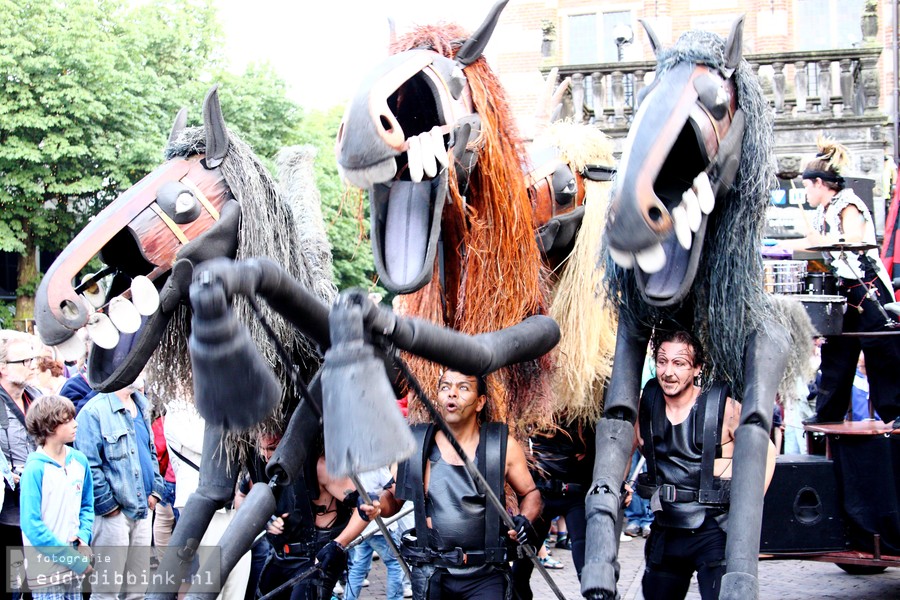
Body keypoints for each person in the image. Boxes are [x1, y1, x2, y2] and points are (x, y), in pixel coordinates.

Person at [361, 369, 542, 600]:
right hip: (432, 573)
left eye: (463, 387)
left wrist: (525, 519)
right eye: (445, 387)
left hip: (487, 574)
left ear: (480, 402)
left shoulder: (502, 447)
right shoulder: (415, 445)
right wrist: (376, 505)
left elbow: (531, 493)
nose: (452, 394)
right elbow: (394, 497)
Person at [635, 329, 776, 600]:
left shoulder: (723, 408)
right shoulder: (647, 404)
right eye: (662, 361)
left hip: (712, 530)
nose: (668, 372)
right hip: (666, 528)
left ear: (697, 368)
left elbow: (765, 452)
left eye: (679, 363)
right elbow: (628, 441)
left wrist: (750, 505)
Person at [779, 138, 900, 425]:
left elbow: (853, 239)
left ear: (820, 183)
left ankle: (896, 412)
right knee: (837, 351)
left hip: (866, 285)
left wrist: (820, 241)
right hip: (843, 290)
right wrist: (780, 246)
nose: (806, 192)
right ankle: (829, 412)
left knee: (880, 350)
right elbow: (814, 244)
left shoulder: (849, 203)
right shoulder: (823, 211)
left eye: (808, 186)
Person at [75, 375, 166, 600]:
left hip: (143, 509)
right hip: (113, 516)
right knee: (107, 592)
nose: (140, 372)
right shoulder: (93, 412)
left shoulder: (143, 405)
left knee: (137, 591)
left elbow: (151, 450)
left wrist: (155, 491)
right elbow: (89, 465)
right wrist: (109, 507)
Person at [254, 432, 370, 600]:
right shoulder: (264, 466)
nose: (266, 455)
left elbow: (366, 505)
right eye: (262, 448)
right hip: (280, 555)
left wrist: (338, 544)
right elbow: (243, 497)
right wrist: (267, 519)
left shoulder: (319, 467)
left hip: (314, 557)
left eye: (272, 448)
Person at [20, 394, 94, 598]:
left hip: (74, 566)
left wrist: (84, 536)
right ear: (50, 427)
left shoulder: (79, 461)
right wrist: (72, 559)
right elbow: (31, 524)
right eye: (67, 420)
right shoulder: (35, 469)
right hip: (46, 571)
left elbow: (87, 505)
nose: (75, 424)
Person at [511, 418, 593, 598]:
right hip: (540, 494)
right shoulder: (534, 412)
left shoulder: (584, 416)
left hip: (575, 496)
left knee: (588, 570)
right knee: (519, 572)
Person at [1, 330, 42, 598]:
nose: (31, 365)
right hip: (8, 513)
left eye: (32, 359)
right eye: (23, 361)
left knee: (37, 584)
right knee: (12, 584)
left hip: (41, 508)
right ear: (2, 366)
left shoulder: (37, 395)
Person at [343, 466, 405, 600]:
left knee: (358, 567)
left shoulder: (350, 467)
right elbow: (394, 490)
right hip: (378, 526)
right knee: (395, 564)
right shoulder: (376, 466)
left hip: (359, 527)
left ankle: (348, 598)